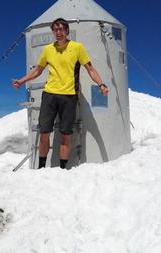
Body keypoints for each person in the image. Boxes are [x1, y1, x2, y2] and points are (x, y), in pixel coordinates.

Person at [12, 18, 109, 169]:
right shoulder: (48, 49)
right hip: (49, 94)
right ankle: (41, 168)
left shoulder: (77, 48)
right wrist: (22, 81)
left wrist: (101, 84)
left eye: (61, 29)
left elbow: (90, 68)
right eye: (55, 30)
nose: (58, 32)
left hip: (69, 96)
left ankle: (62, 170)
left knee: (66, 135)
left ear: (67, 31)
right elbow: (38, 70)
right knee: (44, 133)